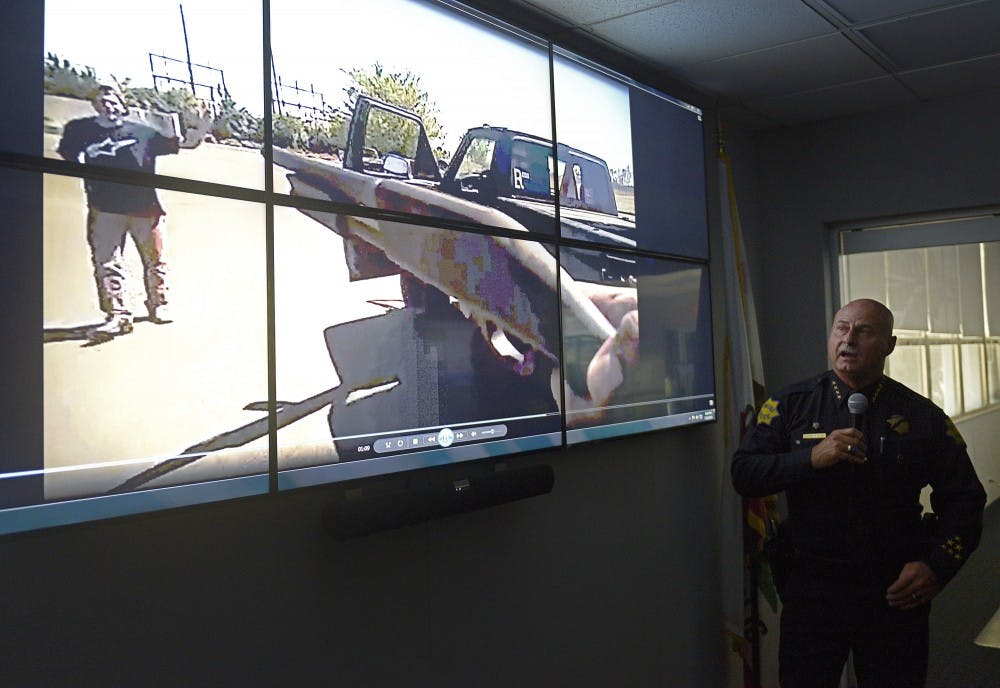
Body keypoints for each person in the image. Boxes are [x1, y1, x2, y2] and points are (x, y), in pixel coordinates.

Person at [731, 298, 986, 688]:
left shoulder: (922, 416)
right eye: (841, 328)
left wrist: (936, 566)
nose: (848, 340)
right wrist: (810, 458)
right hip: (812, 589)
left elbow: (965, 499)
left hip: (892, 591)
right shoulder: (791, 405)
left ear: (889, 345)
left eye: (864, 331)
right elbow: (745, 473)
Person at [57, 85, 212, 342]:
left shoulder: (142, 132)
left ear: (122, 104)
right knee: (106, 263)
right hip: (104, 208)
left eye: (113, 101)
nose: (108, 105)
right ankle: (118, 314)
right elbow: (67, 154)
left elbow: (186, 143)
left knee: (155, 260)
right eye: (102, 101)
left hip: (145, 208)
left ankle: (159, 304)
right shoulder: (80, 130)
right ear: (95, 106)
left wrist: (202, 128)